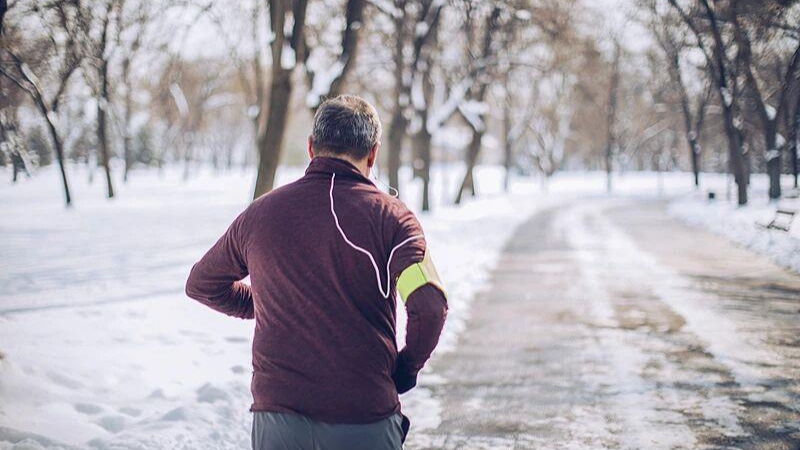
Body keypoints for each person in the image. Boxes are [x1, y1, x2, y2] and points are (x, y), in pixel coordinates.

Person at [185, 95, 448, 450]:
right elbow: (429, 305)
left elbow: (202, 284)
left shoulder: (260, 215)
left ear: (311, 148)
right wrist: (407, 367)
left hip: (277, 419)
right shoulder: (394, 219)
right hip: (363, 416)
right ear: (373, 153)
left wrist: (268, 300)